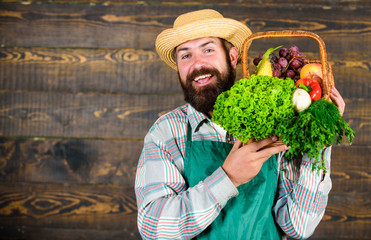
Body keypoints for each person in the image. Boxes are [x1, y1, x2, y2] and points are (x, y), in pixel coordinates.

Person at [135, 9, 345, 240]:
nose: (198, 64)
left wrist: (319, 136)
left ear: (233, 57)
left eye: (208, 50)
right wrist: (228, 178)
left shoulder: (278, 123)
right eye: (185, 56)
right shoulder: (167, 131)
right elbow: (154, 230)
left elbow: (298, 226)